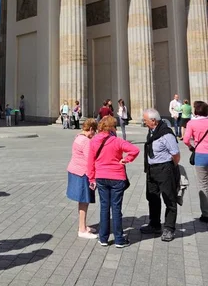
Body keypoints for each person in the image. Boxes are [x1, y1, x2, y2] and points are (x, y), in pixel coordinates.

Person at [88, 116, 139, 247]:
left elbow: (90, 162)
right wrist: (126, 160)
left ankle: (103, 238)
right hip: (117, 177)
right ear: (111, 128)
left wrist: (91, 178)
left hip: (101, 177)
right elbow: (135, 150)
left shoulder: (94, 141)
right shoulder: (117, 141)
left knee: (104, 207)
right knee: (116, 208)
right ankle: (119, 239)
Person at [141, 108, 180, 241]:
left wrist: (172, 168)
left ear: (153, 121)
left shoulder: (166, 134)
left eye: (145, 120)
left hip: (164, 169)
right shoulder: (152, 131)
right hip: (152, 170)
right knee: (152, 197)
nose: (144, 122)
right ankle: (154, 224)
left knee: (169, 199)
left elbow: (175, 154)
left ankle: (169, 228)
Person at [67, 118, 98, 239]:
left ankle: (83, 225)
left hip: (74, 170)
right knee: (84, 201)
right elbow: (90, 159)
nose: (94, 134)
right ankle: (82, 229)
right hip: (82, 173)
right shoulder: (86, 141)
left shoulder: (78, 137)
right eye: (94, 132)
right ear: (90, 129)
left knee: (82, 201)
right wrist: (93, 177)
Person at [184, 101, 208, 223]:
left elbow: (186, 139)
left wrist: (191, 147)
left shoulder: (192, 123)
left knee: (203, 185)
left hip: (201, 155)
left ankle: (206, 214)